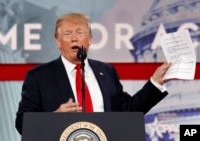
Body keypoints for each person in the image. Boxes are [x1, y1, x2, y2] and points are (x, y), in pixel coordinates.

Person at [15, 12, 171, 134]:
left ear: (90, 39)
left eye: (80, 33)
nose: (74, 38)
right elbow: (22, 123)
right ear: (58, 41)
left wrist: (155, 83)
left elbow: (128, 111)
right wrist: (54, 117)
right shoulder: (39, 76)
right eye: (67, 34)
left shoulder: (106, 71)